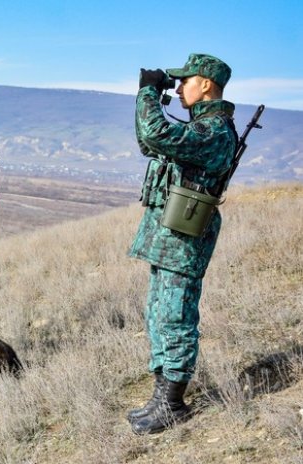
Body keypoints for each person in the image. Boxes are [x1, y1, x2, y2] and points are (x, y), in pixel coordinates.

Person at [127, 54, 237, 435]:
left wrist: (147, 93)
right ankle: (161, 397)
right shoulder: (199, 129)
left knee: (175, 317)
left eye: (184, 81)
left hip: (185, 240)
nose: (177, 87)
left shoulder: (216, 131)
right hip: (168, 238)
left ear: (206, 84)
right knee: (158, 313)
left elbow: (158, 134)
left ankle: (173, 403)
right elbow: (148, 140)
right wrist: (149, 100)